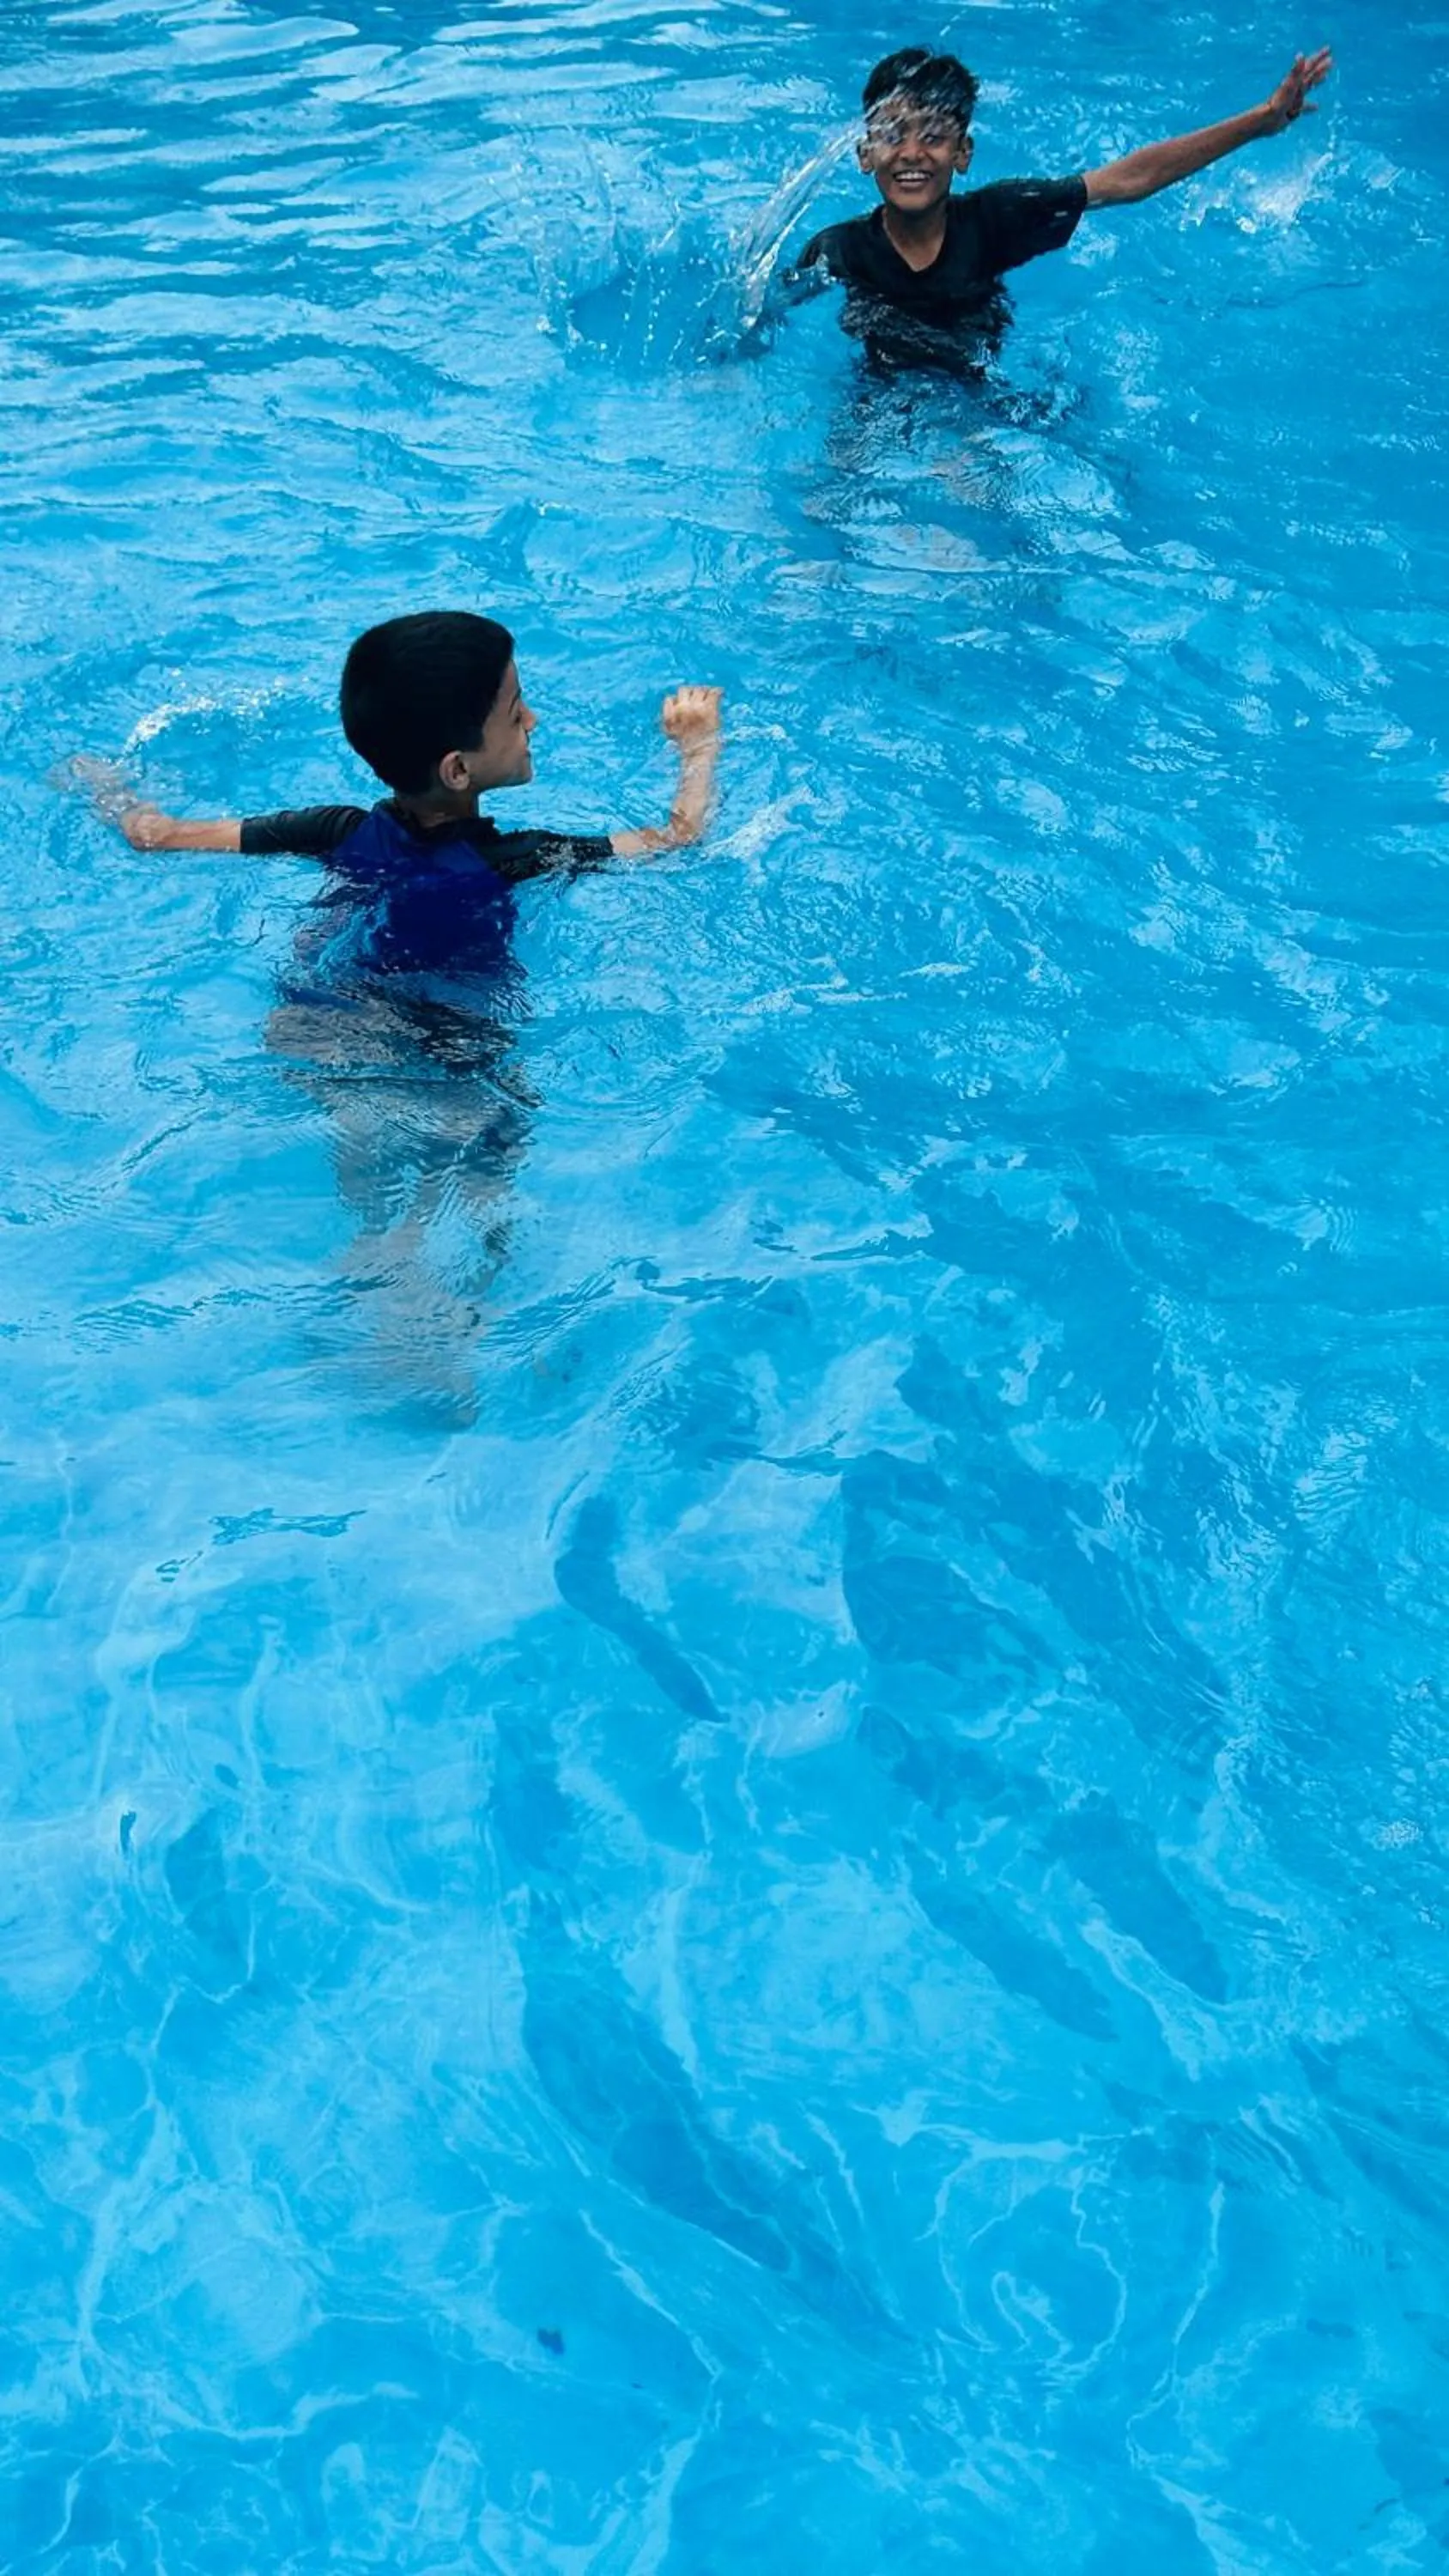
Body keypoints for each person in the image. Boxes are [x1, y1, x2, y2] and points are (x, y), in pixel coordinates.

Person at [102, 611, 724, 979]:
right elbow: (678, 839)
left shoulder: (333, 831)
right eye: (514, 714)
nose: (532, 721)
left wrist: (104, 783)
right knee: (484, 1184)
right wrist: (697, 749)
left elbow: (154, 835)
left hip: (317, 1015)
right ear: (458, 770)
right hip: (449, 1042)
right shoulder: (516, 859)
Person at [790, 42, 1334, 374]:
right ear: (865, 154)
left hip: (974, 381)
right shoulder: (837, 250)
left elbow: (1129, 180)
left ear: (963, 154)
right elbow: (763, 316)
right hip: (876, 384)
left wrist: (1261, 121)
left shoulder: (999, 217)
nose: (911, 153)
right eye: (892, 136)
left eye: (933, 137)